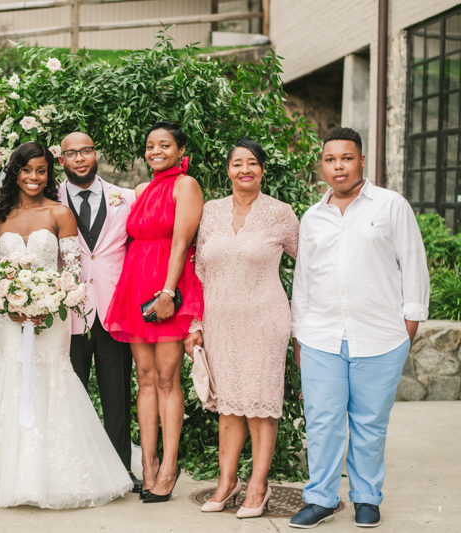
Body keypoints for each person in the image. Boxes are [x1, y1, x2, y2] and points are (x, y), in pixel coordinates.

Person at [0, 142, 133, 508]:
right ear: (15, 172)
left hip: (51, 320)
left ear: (50, 173)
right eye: (27, 169)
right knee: (12, 381)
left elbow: (73, 274)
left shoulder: (60, 213)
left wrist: (50, 304)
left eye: (41, 171)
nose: (34, 177)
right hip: (11, 323)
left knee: (53, 383)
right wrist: (6, 306)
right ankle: (8, 475)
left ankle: (58, 476)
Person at [288, 127, 430, 529]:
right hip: (321, 336)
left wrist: (408, 328)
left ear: (362, 161)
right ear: (323, 165)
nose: (339, 167)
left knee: (369, 424)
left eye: (346, 158)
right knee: (322, 421)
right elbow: (303, 281)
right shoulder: (312, 217)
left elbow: (414, 267)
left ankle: (367, 498)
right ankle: (321, 499)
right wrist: (300, 332)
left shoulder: (390, 206)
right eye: (330, 159)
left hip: (381, 337)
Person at [183, 137, 299, 518]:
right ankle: (226, 481)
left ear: (262, 169)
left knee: (260, 405)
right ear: (228, 170)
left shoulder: (281, 213)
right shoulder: (211, 212)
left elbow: (312, 264)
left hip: (265, 320)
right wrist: (195, 324)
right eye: (237, 163)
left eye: (252, 162)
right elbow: (198, 270)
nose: (245, 169)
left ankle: (258, 486)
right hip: (218, 323)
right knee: (230, 406)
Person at [104, 121, 204, 503]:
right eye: (150, 145)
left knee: (166, 378)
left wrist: (168, 291)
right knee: (143, 378)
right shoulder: (142, 190)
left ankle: (169, 466)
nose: (155, 151)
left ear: (180, 150)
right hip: (135, 288)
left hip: (167, 288)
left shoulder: (186, 185)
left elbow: (181, 242)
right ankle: (147, 463)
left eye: (165, 145)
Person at [56, 132, 141, 493]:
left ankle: (120, 471)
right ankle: (67, 471)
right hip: (63, 317)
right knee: (65, 397)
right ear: (61, 160)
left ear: (96, 154)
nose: (79, 158)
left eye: (85, 151)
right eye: (71, 153)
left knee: (117, 395)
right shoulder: (47, 199)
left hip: (114, 312)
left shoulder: (127, 198)